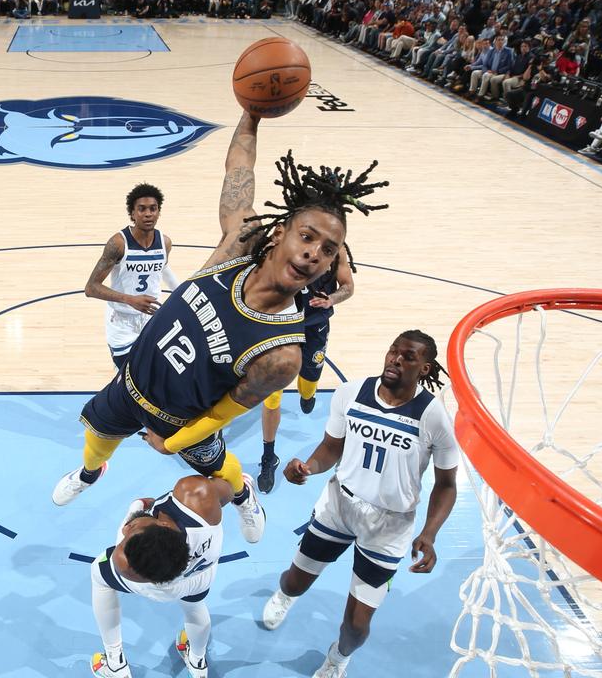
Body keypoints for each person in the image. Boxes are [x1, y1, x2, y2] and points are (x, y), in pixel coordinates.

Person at [52, 110, 390, 548]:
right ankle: (89, 473)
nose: (314, 255)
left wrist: (174, 443)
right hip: (130, 380)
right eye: (307, 237)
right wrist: (251, 114)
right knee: (96, 436)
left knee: (219, 470)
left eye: (328, 251)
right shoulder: (240, 242)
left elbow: (224, 412)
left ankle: (245, 494)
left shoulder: (283, 355)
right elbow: (239, 170)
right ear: (280, 233)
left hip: (182, 418)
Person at [260, 331, 459, 678]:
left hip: (390, 526)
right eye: (393, 351)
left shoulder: (434, 417)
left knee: (355, 626)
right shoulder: (350, 393)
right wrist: (308, 466)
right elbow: (331, 447)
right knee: (294, 582)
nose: (395, 359)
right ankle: (284, 597)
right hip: (339, 506)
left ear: (424, 368)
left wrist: (430, 532)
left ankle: (338, 659)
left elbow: (446, 484)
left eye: (408, 357)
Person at [89, 474, 233, 678]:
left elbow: (124, 541)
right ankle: (198, 662)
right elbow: (229, 489)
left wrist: (136, 507)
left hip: (163, 585)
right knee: (194, 607)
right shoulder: (197, 495)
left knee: (99, 573)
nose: (125, 528)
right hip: (200, 574)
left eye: (130, 532)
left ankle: (115, 663)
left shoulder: (126, 564)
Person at [258, 245, 354, 494]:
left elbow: (348, 287)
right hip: (281, 326)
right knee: (272, 397)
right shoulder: (284, 243)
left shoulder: (337, 249)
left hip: (315, 325)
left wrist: (332, 299)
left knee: (309, 380)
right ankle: (269, 456)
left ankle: (308, 394)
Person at [84, 184, 178, 370]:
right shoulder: (118, 243)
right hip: (121, 321)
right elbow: (91, 288)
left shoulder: (165, 242)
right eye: (141, 209)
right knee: (129, 379)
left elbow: (163, 269)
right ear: (132, 214)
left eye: (153, 208)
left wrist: (181, 296)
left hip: (152, 319)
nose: (148, 214)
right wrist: (128, 299)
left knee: (158, 376)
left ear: (159, 212)